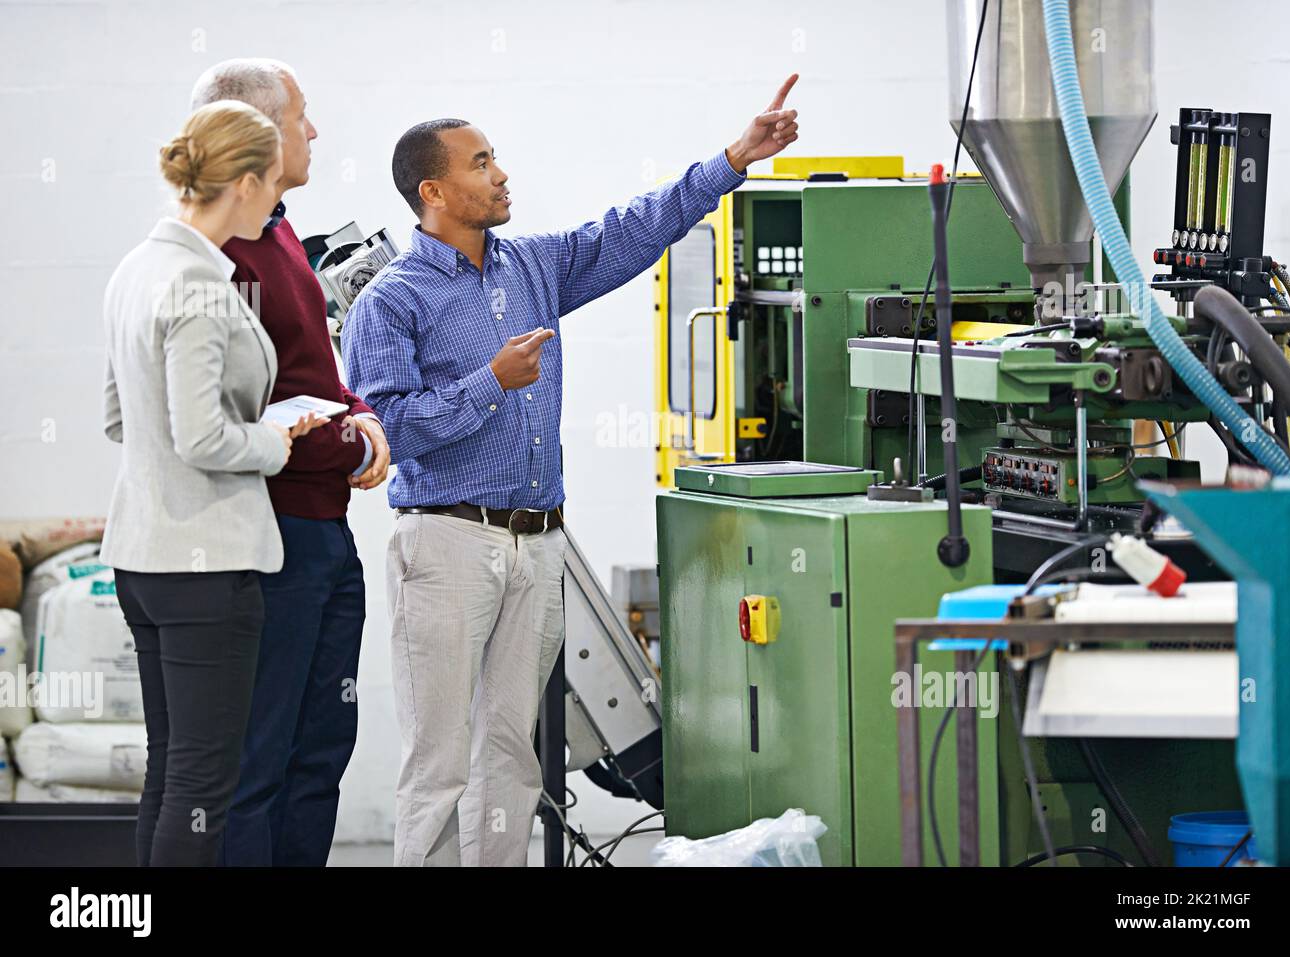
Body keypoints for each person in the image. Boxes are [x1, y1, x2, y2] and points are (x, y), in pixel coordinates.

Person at [343, 75, 801, 866]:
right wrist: (490, 381)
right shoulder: (390, 302)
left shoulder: (534, 267)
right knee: (439, 761)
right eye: (482, 162)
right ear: (434, 190)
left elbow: (633, 229)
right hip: (446, 546)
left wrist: (733, 159)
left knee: (511, 755)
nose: (501, 173)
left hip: (538, 543)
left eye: (496, 158)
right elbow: (388, 431)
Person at [101, 100, 326, 866]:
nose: (277, 202)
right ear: (246, 181)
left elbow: (119, 418)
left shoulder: (137, 268)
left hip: (142, 555)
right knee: (204, 787)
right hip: (204, 563)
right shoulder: (200, 285)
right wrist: (273, 439)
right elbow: (200, 436)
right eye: (273, 185)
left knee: (170, 775)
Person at [187, 58, 391, 867]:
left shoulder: (279, 238)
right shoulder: (219, 256)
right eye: (303, 114)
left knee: (320, 751)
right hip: (271, 542)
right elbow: (238, 417)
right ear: (259, 130)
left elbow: (314, 378)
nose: (315, 131)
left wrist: (364, 415)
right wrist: (353, 441)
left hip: (324, 533)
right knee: (260, 764)